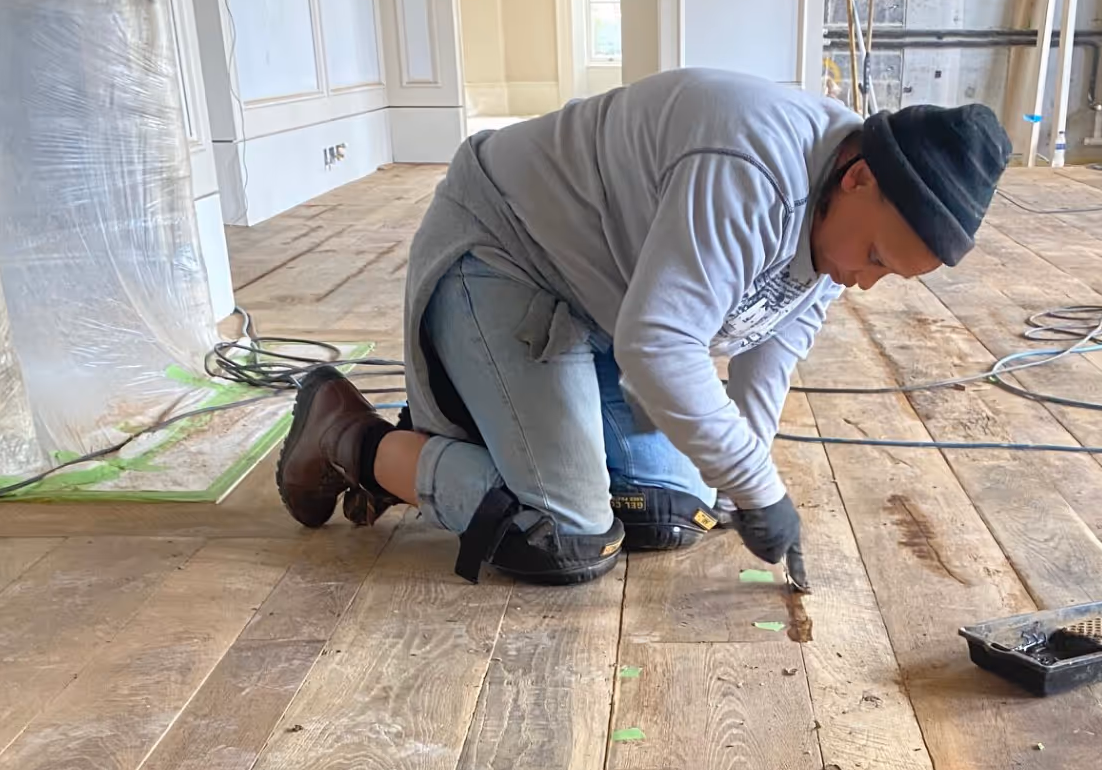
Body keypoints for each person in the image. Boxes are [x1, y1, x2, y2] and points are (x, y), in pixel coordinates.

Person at [275, 68, 1012, 587]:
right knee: (565, 536)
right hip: (505, 258)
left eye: (890, 275)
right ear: (858, 177)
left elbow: (772, 344)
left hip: (596, 311)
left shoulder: (841, 219)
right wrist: (761, 491)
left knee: (674, 512)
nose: (863, 281)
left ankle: (493, 420)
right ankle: (353, 440)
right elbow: (658, 348)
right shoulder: (750, 171)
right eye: (877, 257)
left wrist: (743, 487)